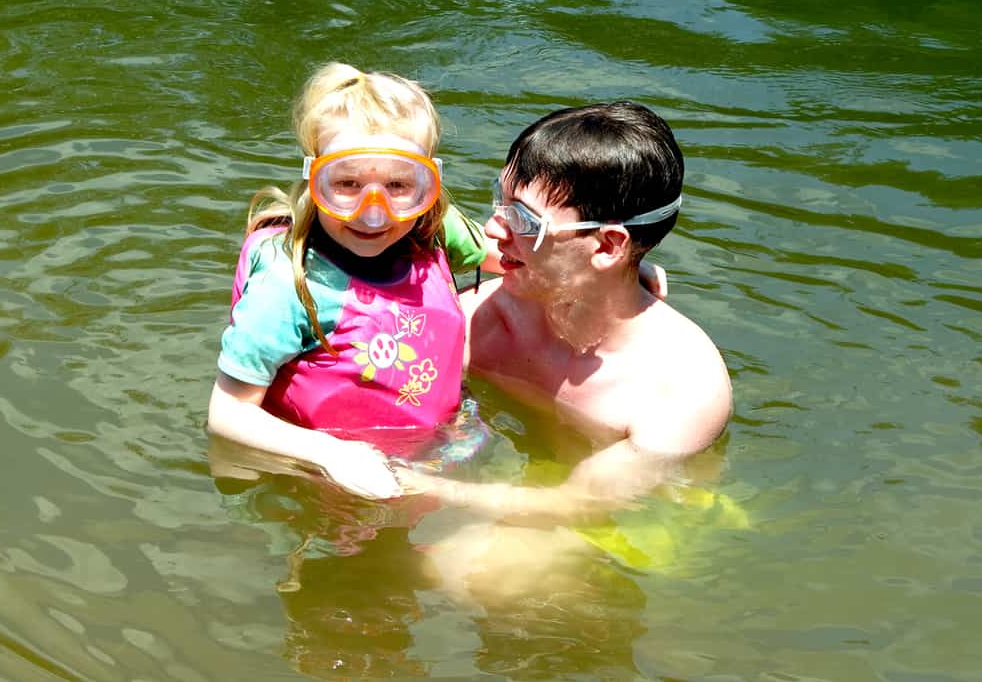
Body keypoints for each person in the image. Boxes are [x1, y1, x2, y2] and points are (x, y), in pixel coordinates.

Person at [398, 101, 732, 522]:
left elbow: (577, 505)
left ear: (609, 246)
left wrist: (418, 485)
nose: (492, 229)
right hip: (523, 461)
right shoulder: (481, 317)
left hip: (629, 520)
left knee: (465, 572)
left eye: (523, 220)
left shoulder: (680, 392)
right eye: (498, 200)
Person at [207, 62, 491, 501]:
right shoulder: (289, 286)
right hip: (327, 474)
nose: (373, 211)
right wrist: (331, 454)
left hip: (439, 446)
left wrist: (634, 267)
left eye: (398, 184)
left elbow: (513, 259)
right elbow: (226, 414)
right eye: (347, 183)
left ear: (426, 185)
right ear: (314, 177)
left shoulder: (430, 225)